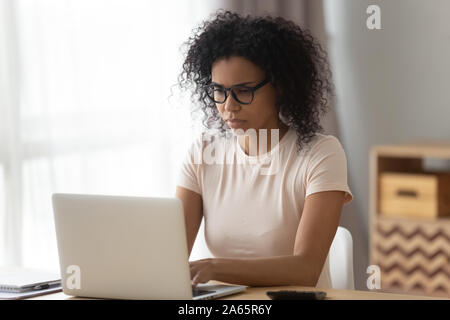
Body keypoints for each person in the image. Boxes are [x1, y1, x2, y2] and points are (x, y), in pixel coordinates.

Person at [176, 10, 353, 288]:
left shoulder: (320, 153)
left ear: (280, 87)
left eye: (243, 91)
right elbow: (170, 257)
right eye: (219, 90)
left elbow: (305, 269)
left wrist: (213, 268)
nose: (228, 106)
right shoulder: (203, 153)